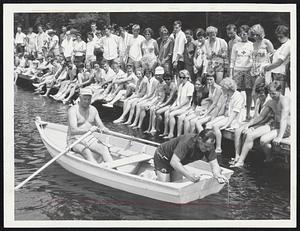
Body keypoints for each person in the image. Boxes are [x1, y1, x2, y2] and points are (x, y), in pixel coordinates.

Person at [154, 129, 228, 183]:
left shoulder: (209, 146)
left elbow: (214, 164)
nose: (208, 149)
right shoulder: (187, 142)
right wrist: (190, 176)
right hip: (163, 157)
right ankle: (157, 175)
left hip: (178, 160)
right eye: (206, 146)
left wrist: (217, 174)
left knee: (177, 183)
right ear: (199, 139)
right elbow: (174, 162)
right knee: (167, 186)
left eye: (210, 146)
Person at [231, 83, 273, 167]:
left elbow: (263, 119)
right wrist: (249, 125)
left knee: (248, 134)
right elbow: (255, 117)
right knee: (238, 130)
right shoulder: (258, 101)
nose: (260, 95)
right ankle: (237, 155)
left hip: (266, 124)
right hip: (258, 122)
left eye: (262, 93)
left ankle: (241, 161)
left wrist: (250, 126)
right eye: (258, 93)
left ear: (266, 93)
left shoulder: (269, 102)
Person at [67, 88, 113, 164]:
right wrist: (89, 131)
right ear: (80, 97)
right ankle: (96, 170)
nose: (87, 101)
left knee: (104, 149)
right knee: (86, 151)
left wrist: (105, 129)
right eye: (85, 99)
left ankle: (113, 169)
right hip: (74, 139)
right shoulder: (73, 110)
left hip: (89, 138)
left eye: (89, 99)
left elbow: (101, 126)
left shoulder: (93, 109)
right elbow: (73, 130)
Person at [206, 77, 244, 154]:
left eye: (223, 87)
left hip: (233, 118)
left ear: (227, 88)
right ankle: (208, 144)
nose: (221, 89)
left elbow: (234, 114)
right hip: (226, 116)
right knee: (209, 124)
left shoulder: (238, 96)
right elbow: (220, 107)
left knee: (216, 126)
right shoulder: (226, 95)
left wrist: (226, 125)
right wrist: (214, 117)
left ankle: (218, 148)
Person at [259, 81, 290, 162]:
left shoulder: (284, 100)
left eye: (273, 93)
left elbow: (284, 119)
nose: (271, 96)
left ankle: (269, 158)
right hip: (275, 125)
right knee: (255, 133)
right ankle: (271, 156)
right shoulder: (271, 101)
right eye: (270, 94)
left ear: (279, 91)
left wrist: (280, 137)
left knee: (263, 140)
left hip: (285, 127)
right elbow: (261, 117)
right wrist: (250, 125)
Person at [229, 25, 254, 121]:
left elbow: (253, 59)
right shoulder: (236, 45)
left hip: (248, 71)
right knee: (236, 93)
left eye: (245, 34)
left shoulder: (252, 45)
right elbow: (232, 60)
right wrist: (231, 74)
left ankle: (248, 114)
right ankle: (235, 115)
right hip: (237, 70)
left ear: (248, 34)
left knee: (249, 92)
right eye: (241, 34)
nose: (243, 36)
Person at [161, 69, 194, 139]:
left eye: (183, 77)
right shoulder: (180, 85)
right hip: (179, 106)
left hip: (185, 107)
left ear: (187, 77)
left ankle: (173, 134)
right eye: (180, 77)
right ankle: (166, 131)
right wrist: (173, 106)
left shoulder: (190, 86)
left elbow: (187, 100)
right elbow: (178, 98)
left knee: (171, 114)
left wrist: (177, 107)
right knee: (167, 112)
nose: (182, 79)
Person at [249, 24, 274, 101]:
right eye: (253, 35)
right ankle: (258, 110)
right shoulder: (253, 44)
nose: (255, 36)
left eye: (257, 34)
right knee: (257, 91)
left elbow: (272, 55)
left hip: (263, 69)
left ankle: (264, 109)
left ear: (260, 33)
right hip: (254, 69)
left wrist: (272, 70)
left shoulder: (266, 42)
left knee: (256, 91)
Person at [263, 25, 290, 95]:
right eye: (278, 36)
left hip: (280, 74)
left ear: (287, 35)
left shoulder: (288, 45)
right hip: (275, 73)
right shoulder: (283, 45)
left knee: (279, 96)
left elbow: (279, 62)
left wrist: (267, 68)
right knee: (275, 97)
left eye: (281, 36)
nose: (279, 38)